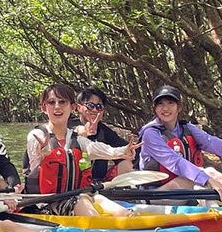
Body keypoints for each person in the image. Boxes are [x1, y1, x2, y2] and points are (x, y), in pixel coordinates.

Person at [23, 83, 137, 216]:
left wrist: (124, 151)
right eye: (51, 102)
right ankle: (100, 228)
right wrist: (41, 152)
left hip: (74, 197)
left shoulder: (77, 140)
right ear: (44, 107)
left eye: (62, 102)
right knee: (81, 200)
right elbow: (34, 163)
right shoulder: (36, 136)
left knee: (98, 198)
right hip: (46, 204)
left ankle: (129, 218)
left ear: (72, 107)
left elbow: (103, 150)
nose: (57, 106)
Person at [137, 84, 222, 201]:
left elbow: (209, 141)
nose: (165, 108)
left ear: (179, 107)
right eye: (160, 104)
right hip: (155, 193)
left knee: (211, 172)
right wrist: (207, 180)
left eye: (170, 103)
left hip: (181, 185)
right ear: (155, 109)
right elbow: (175, 162)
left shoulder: (186, 128)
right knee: (186, 182)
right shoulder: (150, 134)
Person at [71, 86, 132, 183]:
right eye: (90, 105)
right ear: (78, 107)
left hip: (100, 183)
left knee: (127, 164)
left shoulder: (104, 131)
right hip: (72, 181)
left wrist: (130, 152)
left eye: (99, 107)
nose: (95, 110)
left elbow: (124, 151)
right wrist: (82, 134)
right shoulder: (68, 126)